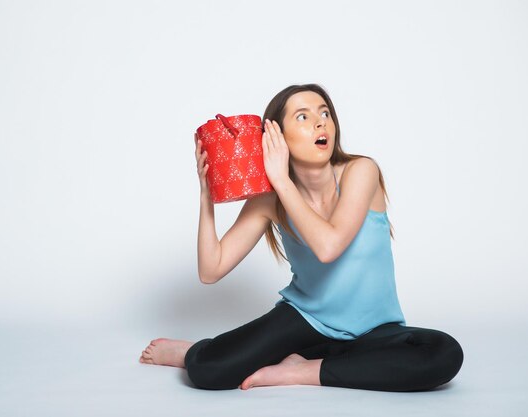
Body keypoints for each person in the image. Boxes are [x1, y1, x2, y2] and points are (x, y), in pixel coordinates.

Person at [139, 83, 464, 391]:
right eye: (303, 117)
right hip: (304, 321)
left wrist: (281, 179)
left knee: (444, 354)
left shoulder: (360, 171)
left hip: (374, 329)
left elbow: (328, 247)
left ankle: (303, 370)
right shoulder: (269, 199)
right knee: (207, 371)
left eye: (325, 114)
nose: (320, 124)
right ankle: (197, 350)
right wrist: (206, 197)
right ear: (275, 137)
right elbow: (211, 270)